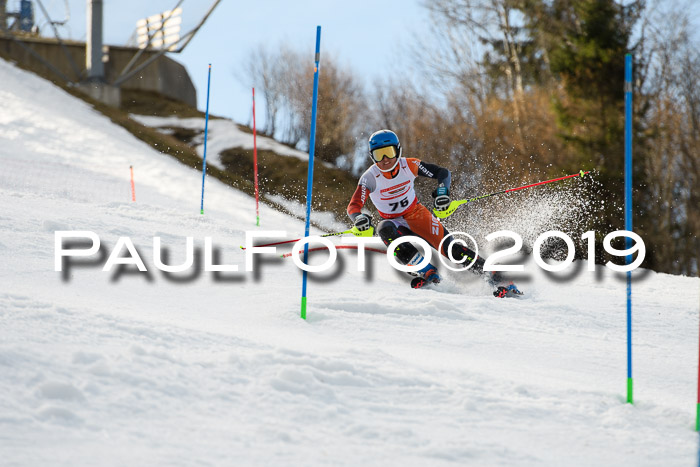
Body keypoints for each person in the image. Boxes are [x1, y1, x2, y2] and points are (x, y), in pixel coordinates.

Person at [346, 129, 519, 297]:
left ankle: (499, 277)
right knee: (383, 229)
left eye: (389, 152)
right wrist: (358, 218)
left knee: (451, 250)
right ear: (372, 157)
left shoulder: (409, 165)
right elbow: (353, 206)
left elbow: (442, 173)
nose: (385, 160)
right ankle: (427, 272)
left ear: (397, 151)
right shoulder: (369, 178)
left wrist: (443, 192)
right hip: (394, 223)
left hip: (418, 215)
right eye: (378, 155)